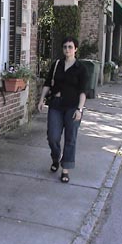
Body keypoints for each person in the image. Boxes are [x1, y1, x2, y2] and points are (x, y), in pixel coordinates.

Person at [37, 36, 88, 183]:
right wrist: (41, 100)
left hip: (72, 107)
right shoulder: (57, 64)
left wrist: (80, 109)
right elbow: (47, 83)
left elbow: (83, 91)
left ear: (75, 49)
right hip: (56, 105)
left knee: (70, 138)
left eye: (70, 47)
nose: (67, 49)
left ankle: (65, 170)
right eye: (65, 47)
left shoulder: (81, 68)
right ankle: (55, 157)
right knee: (53, 136)